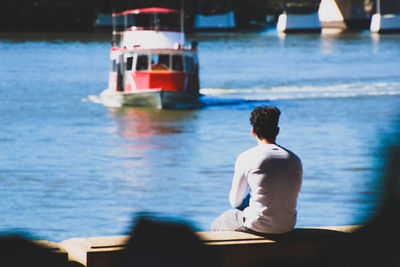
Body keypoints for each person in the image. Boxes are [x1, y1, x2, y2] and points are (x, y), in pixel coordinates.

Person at [211, 106, 303, 235]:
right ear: (277, 131)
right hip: (288, 225)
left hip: (258, 224)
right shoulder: (295, 159)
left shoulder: (247, 157)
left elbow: (235, 201)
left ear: (253, 132)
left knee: (220, 221)